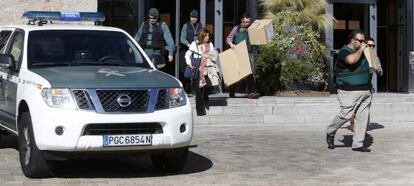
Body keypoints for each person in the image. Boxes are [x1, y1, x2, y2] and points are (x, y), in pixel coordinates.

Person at [326, 30, 381, 152]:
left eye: (364, 41)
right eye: (361, 41)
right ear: (352, 40)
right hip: (348, 91)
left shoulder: (366, 52)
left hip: (365, 90)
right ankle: (330, 131)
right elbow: (351, 61)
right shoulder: (344, 52)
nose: (364, 43)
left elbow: (373, 69)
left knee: (362, 118)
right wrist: (361, 49)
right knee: (346, 114)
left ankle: (358, 144)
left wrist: (376, 66)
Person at [348, 37, 383, 132]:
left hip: (367, 88)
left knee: (365, 110)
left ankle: (363, 131)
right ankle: (352, 123)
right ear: (364, 45)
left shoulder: (375, 57)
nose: (371, 47)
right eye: (369, 45)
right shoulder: (357, 55)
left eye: (373, 46)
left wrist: (378, 70)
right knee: (352, 109)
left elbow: (380, 73)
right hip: (354, 87)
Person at [226, 12, 259, 99]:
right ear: (242, 20)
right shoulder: (236, 28)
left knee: (250, 73)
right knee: (237, 73)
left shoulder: (253, 28)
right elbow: (228, 38)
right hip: (238, 52)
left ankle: (251, 92)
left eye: (248, 21)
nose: (247, 23)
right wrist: (231, 44)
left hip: (249, 52)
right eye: (245, 22)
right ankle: (232, 91)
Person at [185, 28, 217, 116]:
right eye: (205, 35)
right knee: (198, 91)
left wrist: (210, 57)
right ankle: (200, 111)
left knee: (208, 85)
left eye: (208, 35)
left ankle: (205, 97)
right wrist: (189, 63)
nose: (207, 37)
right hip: (197, 69)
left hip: (207, 69)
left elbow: (213, 55)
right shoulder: (194, 44)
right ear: (201, 35)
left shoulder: (210, 44)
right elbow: (187, 54)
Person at [180, 10, 202, 94]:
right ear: (190, 17)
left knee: (196, 70)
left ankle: (194, 89)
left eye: (195, 17)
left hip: (197, 51)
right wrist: (189, 45)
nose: (194, 19)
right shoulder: (186, 26)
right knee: (187, 70)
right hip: (188, 50)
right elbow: (182, 39)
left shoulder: (200, 25)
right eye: (192, 17)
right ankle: (186, 89)